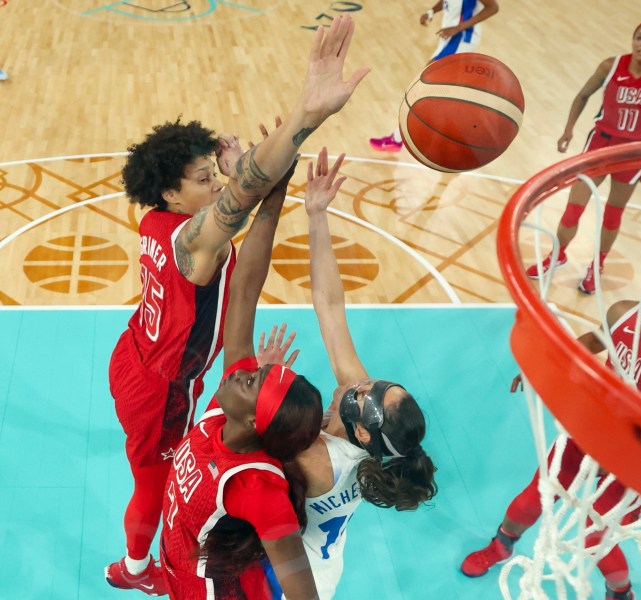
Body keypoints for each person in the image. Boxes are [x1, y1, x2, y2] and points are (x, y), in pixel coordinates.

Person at [104, 15, 368, 595]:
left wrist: (265, 178)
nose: (218, 182)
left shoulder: (162, 221)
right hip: (159, 387)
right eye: (204, 178)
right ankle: (133, 567)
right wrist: (305, 116)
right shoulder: (195, 241)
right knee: (151, 486)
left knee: (163, 472)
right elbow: (245, 192)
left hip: (138, 354)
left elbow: (245, 224)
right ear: (173, 193)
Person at [461, 254, 641, 600]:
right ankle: (501, 547)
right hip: (593, 431)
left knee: (594, 536)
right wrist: (544, 364)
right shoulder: (622, 312)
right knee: (534, 496)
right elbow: (594, 341)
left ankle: (620, 592)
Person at [264, 148, 438, 599]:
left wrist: (265, 380)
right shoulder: (364, 426)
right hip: (322, 567)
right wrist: (317, 215)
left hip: (291, 586)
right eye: (378, 384)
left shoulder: (316, 458)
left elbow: (241, 441)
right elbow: (331, 306)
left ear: (362, 431)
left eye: (368, 392)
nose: (364, 382)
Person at [159, 152, 326, 599]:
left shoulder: (255, 485)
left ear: (256, 422)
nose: (245, 373)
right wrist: (274, 192)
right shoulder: (227, 409)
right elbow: (244, 290)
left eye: (254, 381)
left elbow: (302, 589)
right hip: (178, 564)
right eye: (257, 373)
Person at [527, 18, 641, 294]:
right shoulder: (611, 65)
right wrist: (568, 130)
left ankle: (597, 264)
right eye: (639, 37)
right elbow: (582, 95)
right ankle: (558, 254)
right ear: (632, 39)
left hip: (636, 151)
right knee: (573, 208)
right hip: (600, 145)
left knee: (613, 214)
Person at [369, 0, 500, 151]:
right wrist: (431, 11)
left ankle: (398, 138)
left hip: (460, 39)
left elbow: (493, 7)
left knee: (425, 88)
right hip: (448, 38)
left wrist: (458, 28)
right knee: (444, 94)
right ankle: (463, 139)